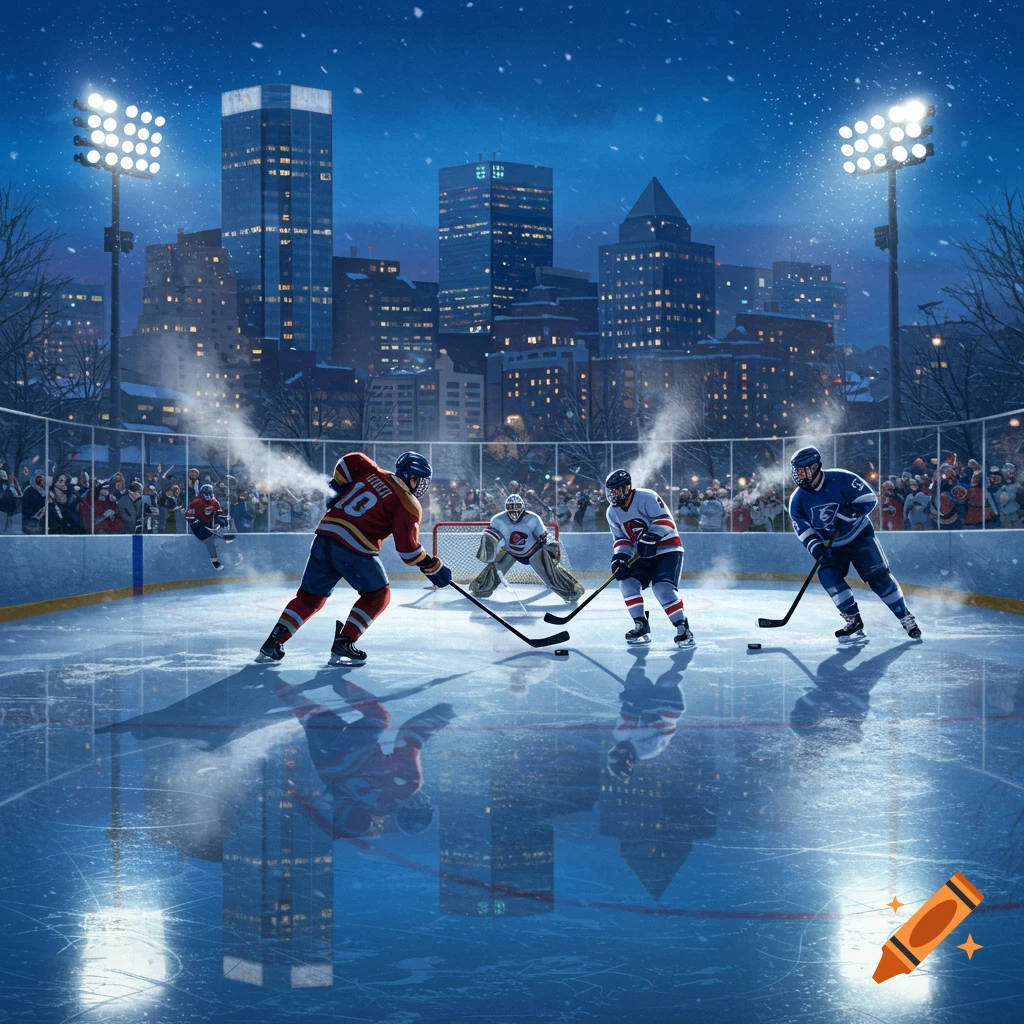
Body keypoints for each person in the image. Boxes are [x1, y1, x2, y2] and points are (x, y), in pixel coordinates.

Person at [256, 451, 452, 667]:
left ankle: (273, 642)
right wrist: (432, 566)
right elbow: (408, 551)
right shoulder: (408, 503)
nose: (422, 486)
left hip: (325, 536)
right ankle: (345, 640)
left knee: (309, 598)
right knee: (378, 595)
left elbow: (350, 460)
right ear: (411, 477)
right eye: (421, 479)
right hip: (354, 548)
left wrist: (337, 487)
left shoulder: (373, 471)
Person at [273, 679, 456, 839]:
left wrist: (445, 714)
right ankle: (276, 684)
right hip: (326, 763)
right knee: (313, 715)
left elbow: (408, 737)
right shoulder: (375, 809)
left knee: (379, 717)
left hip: (350, 754)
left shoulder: (408, 786)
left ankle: (340, 683)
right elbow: (333, 802)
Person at [788, 446, 921, 641]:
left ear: (814, 467)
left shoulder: (841, 478)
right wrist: (816, 548)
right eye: (796, 471)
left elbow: (868, 499)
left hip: (859, 536)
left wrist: (847, 515)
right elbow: (803, 530)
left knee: (879, 578)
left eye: (802, 470)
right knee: (827, 575)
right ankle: (853, 620)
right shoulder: (797, 500)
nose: (798, 475)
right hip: (832, 545)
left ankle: (905, 616)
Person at [605, 468, 695, 649]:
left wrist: (652, 536)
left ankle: (683, 628)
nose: (612, 494)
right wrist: (620, 557)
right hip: (642, 554)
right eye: (610, 491)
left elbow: (667, 521)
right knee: (627, 582)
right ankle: (641, 626)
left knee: (662, 588)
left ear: (626, 487)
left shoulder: (647, 497)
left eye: (616, 490)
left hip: (667, 549)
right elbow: (622, 539)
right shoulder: (612, 512)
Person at [469, 493, 584, 602]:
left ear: (523, 507)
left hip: (533, 551)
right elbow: (491, 536)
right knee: (495, 568)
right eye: (511, 506)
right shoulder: (497, 520)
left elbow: (544, 536)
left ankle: (571, 591)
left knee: (550, 573)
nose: (514, 509)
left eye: (517, 506)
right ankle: (480, 589)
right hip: (509, 551)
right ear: (506, 507)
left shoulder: (533, 518)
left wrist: (550, 545)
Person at [186, 483, 232, 570]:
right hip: (197, 526)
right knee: (209, 540)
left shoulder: (214, 502)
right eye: (206, 493)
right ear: (201, 494)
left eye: (209, 493)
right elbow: (189, 518)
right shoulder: (195, 503)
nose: (208, 495)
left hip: (209, 524)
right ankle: (214, 561)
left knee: (221, 534)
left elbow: (219, 514)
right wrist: (197, 523)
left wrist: (222, 520)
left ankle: (234, 555)